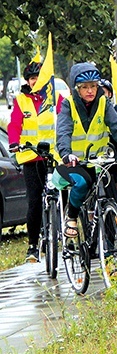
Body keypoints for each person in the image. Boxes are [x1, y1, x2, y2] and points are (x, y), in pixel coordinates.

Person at [54, 63, 117, 238]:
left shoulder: (103, 102)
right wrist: (66, 153)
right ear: (77, 89)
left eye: (93, 86)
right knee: (82, 184)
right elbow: (63, 131)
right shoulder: (68, 105)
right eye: (85, 87)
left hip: (97, 161)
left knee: (110, 191)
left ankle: (111, 240)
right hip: (72, 162)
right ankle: (71, 217)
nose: (90, 91)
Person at [7, 61, 63, 262]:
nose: (35, 82)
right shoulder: (21, 100)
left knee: (63, 195)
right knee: (34, 201)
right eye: (32, 79)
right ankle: (33, 245)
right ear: (28, 82)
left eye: (39, 78)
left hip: (54, 157)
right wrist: (14, 142)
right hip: (31, 158)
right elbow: (15, 124)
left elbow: (67, 117)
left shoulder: (55, 97)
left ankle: (67, 234)